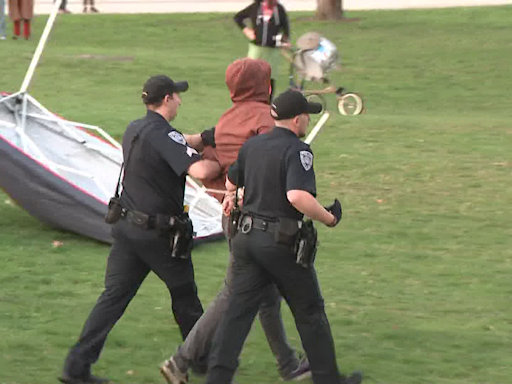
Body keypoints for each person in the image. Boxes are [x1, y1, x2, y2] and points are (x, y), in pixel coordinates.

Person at [59, 75, 221, 384]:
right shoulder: (165, 136)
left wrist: (204, 136)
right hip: (158, 235)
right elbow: (199, 169)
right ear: (166, 100)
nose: (180, 101)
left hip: (126, 228)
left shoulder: (137, 128)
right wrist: (220, 161)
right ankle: (202, 362)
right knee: (185, 297)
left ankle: (75, 367)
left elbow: (175, 141)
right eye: (177, 96)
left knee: (112, 300)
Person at [160, 59, 312, 384]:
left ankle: (288, 364)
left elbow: (220, 163)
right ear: (263, 85)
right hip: (260, 221)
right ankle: (180, 360)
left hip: (235, 217)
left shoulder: (227, 118)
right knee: (235, 293)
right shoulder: (264, 119)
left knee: (266, 295)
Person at [204, 89, 363, 384]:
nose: (306, 121)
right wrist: (329, 218)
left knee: (237, 315)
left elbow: (231, 178)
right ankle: (328, 379)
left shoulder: (253, 145)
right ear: (298, 119)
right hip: (280, 243)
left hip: (246, 239)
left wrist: (231, 196)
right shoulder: (297, 150)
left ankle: (217, 378)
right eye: (306, 116)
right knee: (310, 311)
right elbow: (297, 196)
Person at [234, 0, 291, 100]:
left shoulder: (279, 9)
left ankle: (267, 104)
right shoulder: (255, 7)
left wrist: (285, 41)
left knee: (270, 78)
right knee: (251, 75)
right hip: (256, 48)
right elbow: (238, 17)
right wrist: (247, 30)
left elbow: (285, 28)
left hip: (272, 50)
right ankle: (250, 100)